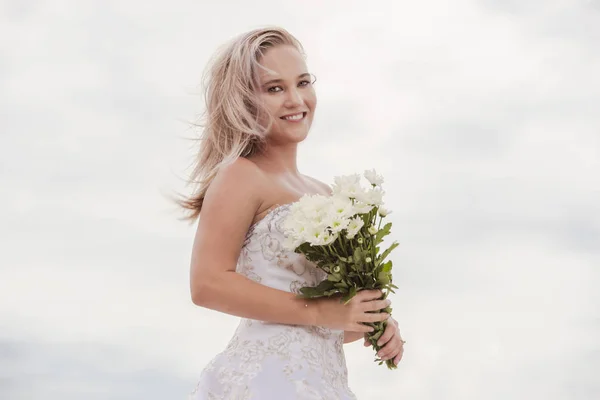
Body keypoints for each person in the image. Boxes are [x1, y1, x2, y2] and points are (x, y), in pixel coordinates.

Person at [179, 26, 405, 400]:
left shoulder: (325, 194)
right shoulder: (240, 175)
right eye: (274, 88)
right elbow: (207, 284)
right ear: (244, 101)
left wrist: (369, 322)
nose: (296, 99)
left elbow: (327, 322)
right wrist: (324, 313)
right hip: (265, 381)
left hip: (322, 384)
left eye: (303, 82)